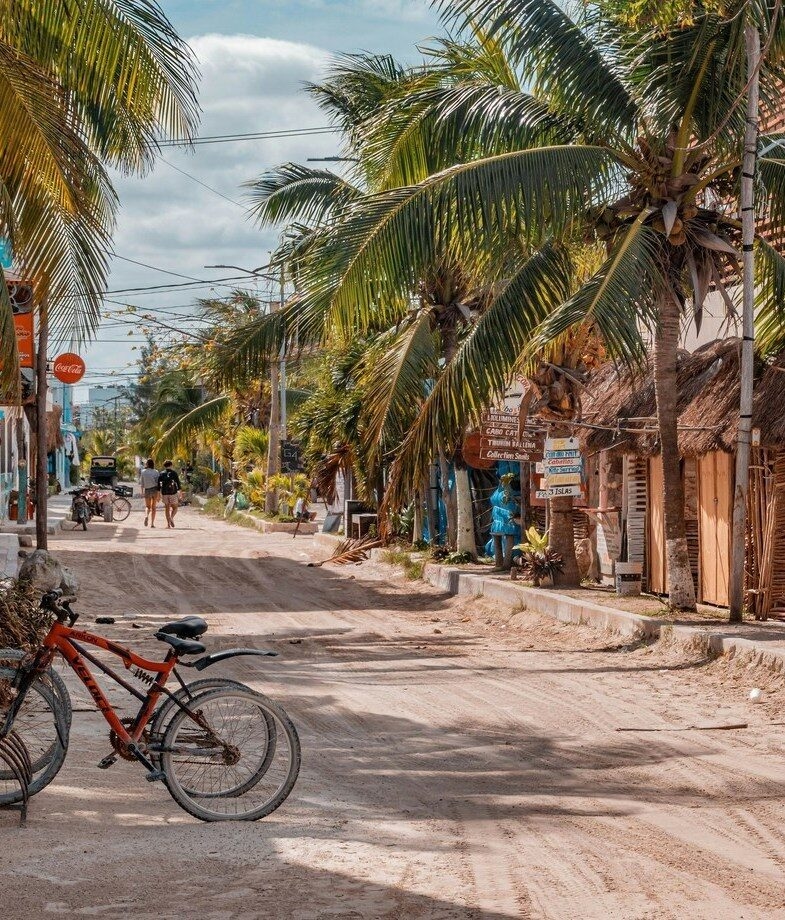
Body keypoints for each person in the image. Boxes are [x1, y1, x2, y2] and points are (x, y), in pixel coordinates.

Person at [158, 459, 182, 528]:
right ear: (171, 465)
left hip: (164, 493)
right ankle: (171, 517)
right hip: (173, 492)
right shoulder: (174, 473)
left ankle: (168, 525)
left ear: (164, 466)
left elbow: (159, 485)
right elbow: (178, 483)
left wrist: (159, 494)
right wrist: (180, 493)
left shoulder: (161, 473)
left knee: (167, 508)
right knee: (175, 508)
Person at [140, 458, 160, 528]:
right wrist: (159, 494)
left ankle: (146, 516)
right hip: (154, 490)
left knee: (147, 506)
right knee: (153, 507)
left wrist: (142, 492)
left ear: (147, 464)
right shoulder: (156, 472)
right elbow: (158, 483)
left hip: (147, 490)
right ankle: (152, 524)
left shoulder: (143, 471)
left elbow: (142, 483)